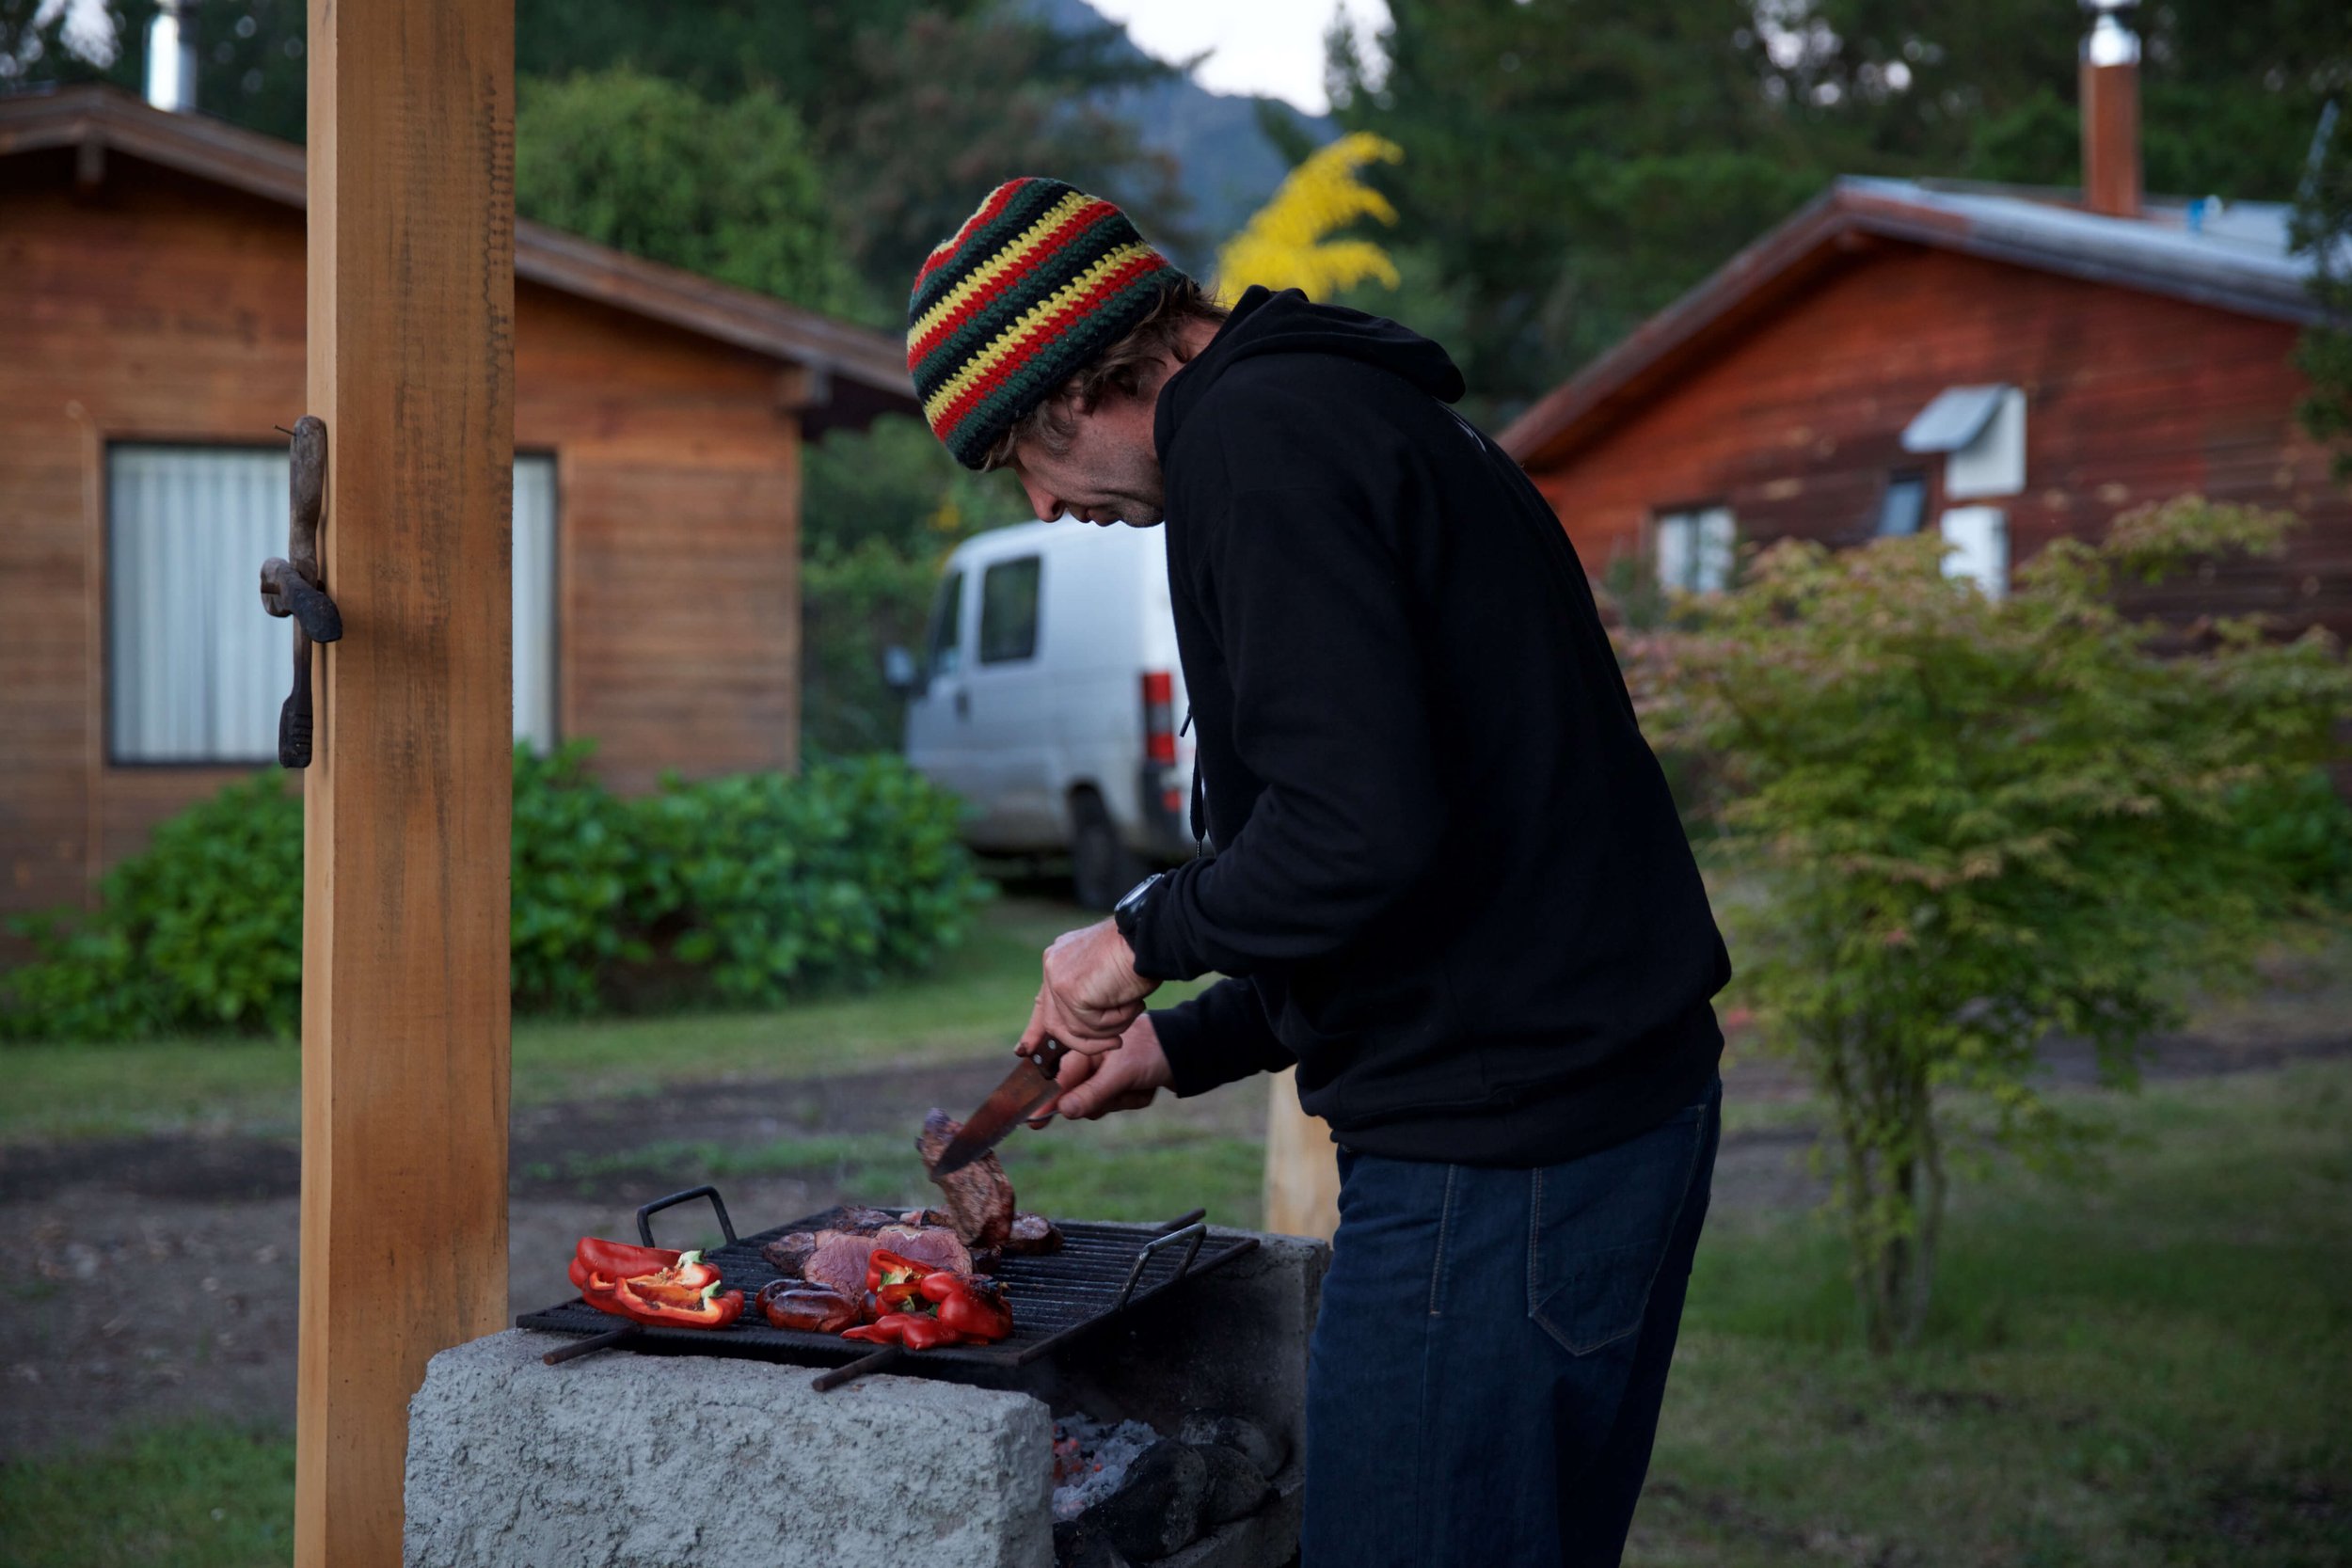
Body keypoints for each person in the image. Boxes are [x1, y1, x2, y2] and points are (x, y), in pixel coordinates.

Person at [907, 177, 1732, 1567]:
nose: (1045, 507)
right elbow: (1439, 857)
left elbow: (1354, 830)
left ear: (1072, 391)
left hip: (1501, 1161)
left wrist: (1132, 938)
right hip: (1583, 1118)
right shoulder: (1344, 413)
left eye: (1018, 464)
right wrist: (1188, 1042)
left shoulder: (1262, 443)